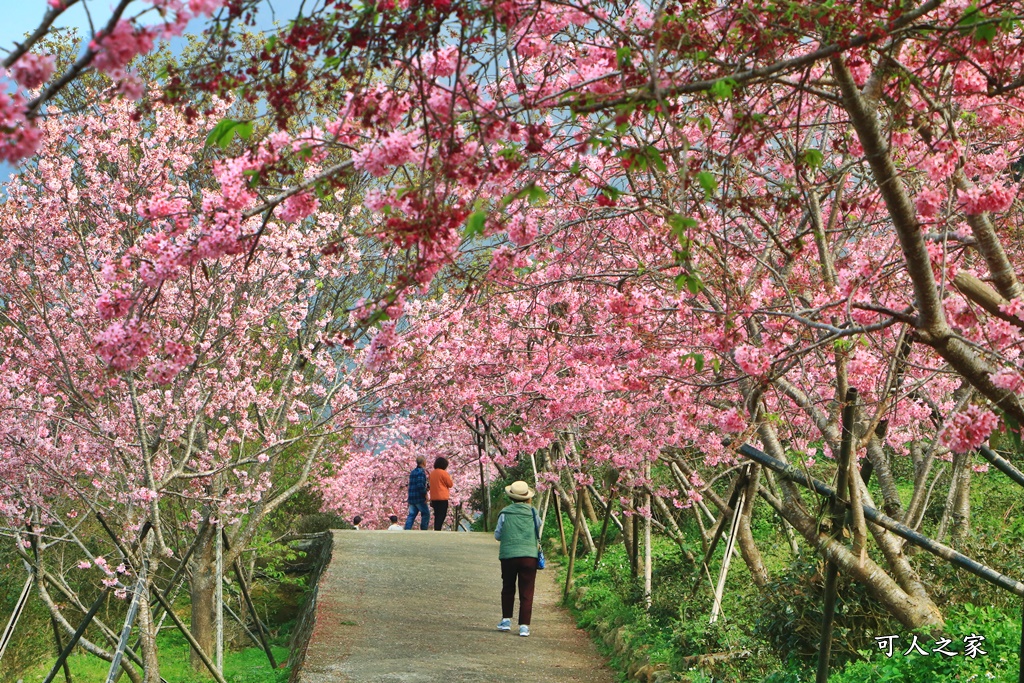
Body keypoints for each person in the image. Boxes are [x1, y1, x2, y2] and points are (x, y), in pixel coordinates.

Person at [494, 480, 541, 637]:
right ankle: (524, 626)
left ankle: (506, 620)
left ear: (511, 497)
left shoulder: (505, 513)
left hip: (508, 556)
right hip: (529, 556)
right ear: (527, 497)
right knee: (527, 590)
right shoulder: (533, 513)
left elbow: (498, 535)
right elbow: (538, 530)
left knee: (508, 587)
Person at [403, 456, 431, 530]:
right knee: (426, 514)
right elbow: (420, 485)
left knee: (411, 515)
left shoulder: (413, 472)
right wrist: (425, 494)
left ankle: (407, 529)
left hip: (411, 497)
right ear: (423, 462)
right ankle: (424, 530)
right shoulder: (421, 472)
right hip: (419, 497)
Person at [429, 456, 454, 531]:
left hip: (434, 497)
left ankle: (437, 528)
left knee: (437, 514)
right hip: (442, 497)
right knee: (442, 514)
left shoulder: (432, 473)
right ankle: (437, 529)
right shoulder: (444, 473)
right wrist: (451, 478)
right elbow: (450, 484)